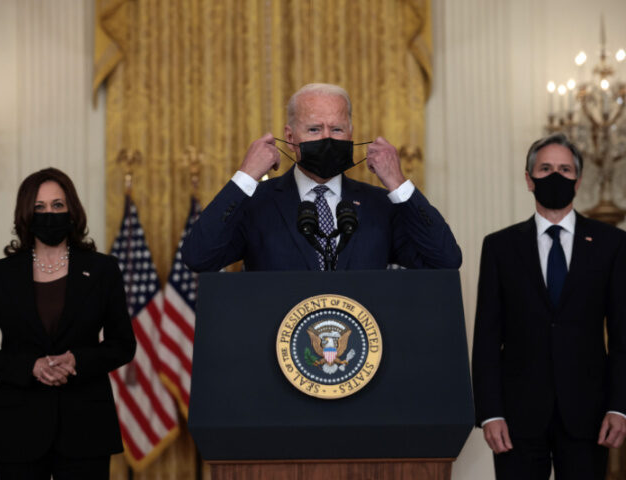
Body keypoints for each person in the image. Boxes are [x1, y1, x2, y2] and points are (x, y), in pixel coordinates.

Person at [472, 133, 626, 479]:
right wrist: (490, 412)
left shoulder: (612, 244)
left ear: (578, 180)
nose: (555, 176)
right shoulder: (499, 247)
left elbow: (622, 337)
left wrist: (621, 407)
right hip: (516, 418)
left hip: (589, 414)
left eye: (565, 169)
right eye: (545, 168)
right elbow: (486, 337)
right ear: (529, 179)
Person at [182, 83, 461, 272]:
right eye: (315, 130)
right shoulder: (257, 204)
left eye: (337, 129)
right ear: (290, 138)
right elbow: (199, 257)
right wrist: (245, 177)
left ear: (351, 134)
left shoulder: (380, 206)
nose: (327, 139)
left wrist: (399, 185)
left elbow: (445, 260)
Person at [0, 168, 136, 479]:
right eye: (39, 207)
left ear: (72, 210)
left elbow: (122, 345)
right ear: (26, 212)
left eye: (57, 205)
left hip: (86, 427)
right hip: (17, 429)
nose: (49, 213)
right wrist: (31, 366)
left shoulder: (103, 270)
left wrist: (77, 360)